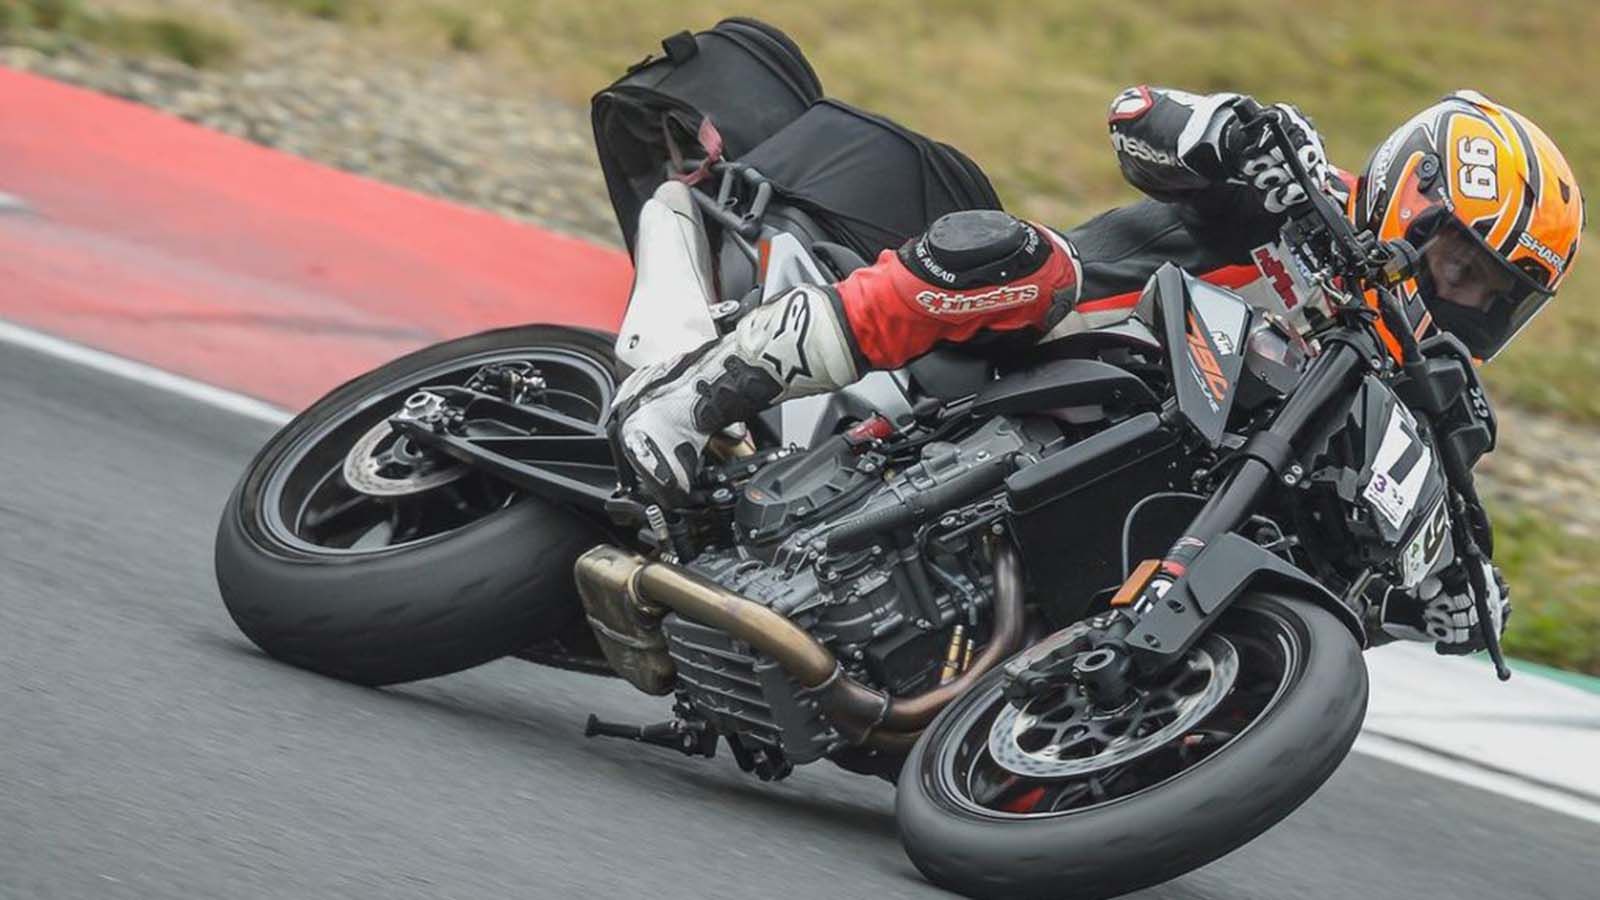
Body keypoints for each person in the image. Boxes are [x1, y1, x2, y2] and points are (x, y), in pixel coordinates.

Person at [611, 86, 1585, 652]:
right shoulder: (1296, 189)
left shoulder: (1427, 393)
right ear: (1411, 194)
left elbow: (1410, 539)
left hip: (1154, 498)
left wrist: (1452, 594)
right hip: (1041, 356)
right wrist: (1228, 130)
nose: (1460, 293)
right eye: (1457, 258)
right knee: (1023, 259)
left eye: (1492, 292)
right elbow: (1135, 116)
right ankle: (695, 391)